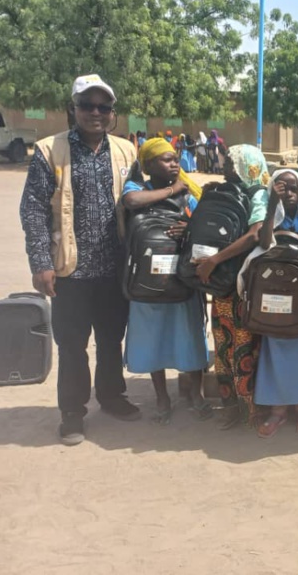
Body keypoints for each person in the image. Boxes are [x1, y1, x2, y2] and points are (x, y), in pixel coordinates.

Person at [20, 74, 141, 445]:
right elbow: (33, 210)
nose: (95, 113)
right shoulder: (49, 151)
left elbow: (138, 204)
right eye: (87, 105)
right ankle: (72, 413)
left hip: (113, 268)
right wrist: (40, 262)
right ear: (73, 109)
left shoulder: (126, 152)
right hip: (68, 268)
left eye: (103, 107)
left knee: (110, 339)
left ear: (112, 113)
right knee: (72, 344)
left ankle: (111, 395)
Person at [121, 138, 211, 425]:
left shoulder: (190, 196)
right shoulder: (138, 188)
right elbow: (131, 202)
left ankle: (196, 395)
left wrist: (190, 227)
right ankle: (162, 397)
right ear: (148, 165)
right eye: (166, 159)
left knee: (190, 337)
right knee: (152, 340)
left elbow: (205, 226)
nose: (174, 163)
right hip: (147, 283)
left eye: (175, 159)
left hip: (181, 281)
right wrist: (172, 190)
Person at [196, 144, 270, 429]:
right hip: (223, 284)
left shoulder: (259, 195)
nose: (225, 168)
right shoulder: (227, 192)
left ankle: (251, 408)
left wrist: (214, 260)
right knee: (224, 345)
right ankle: (231, 406)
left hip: (245, 285)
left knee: (245, 347)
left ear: (247, 166)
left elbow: (255, 235)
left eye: (231, 163)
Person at [251, 168, 298, 437]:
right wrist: (272, 205)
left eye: (294, 188)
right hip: (274, 291)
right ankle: (277, 410)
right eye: (283, 188)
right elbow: (264, 240)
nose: (290, 193)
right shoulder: (272, 213)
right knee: (276, 347)